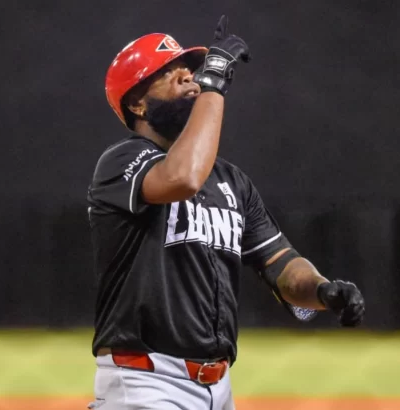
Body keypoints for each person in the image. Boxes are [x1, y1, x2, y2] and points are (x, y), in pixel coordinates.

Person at [86, 16, 366, 410]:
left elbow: (280, 263)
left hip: (219, 389)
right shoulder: (121, 162)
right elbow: (183, 178)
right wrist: (214, 82)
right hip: (146, 383)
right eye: (166, 72)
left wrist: (322, 290)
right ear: (137, 103)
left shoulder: (231, 181)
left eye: (189, 69)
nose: (188, 76)